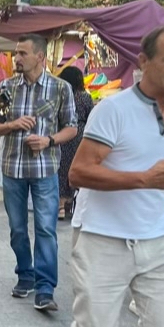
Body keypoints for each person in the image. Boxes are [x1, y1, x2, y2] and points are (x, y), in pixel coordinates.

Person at [60, 25, 164, 327]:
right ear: (143, 63)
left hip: (160, 239)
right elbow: (79, 172)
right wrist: (145, 179)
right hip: (102, 238)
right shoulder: (114, 110)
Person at [0, 34, 78, 311]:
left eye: (22, 53)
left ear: (40, 57)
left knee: (46, 229)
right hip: (13, 168)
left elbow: (71, 127)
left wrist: (48, 140)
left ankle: (45, 288)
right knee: (17, 229)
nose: (17, 58)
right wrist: (12, 125)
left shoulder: (60, 88)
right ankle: (25, 274)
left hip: (45, 169)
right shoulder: (7, 87)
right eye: (16, 53)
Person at [56, 66, 94, 220]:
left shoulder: (59, 95)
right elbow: (91, 115)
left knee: (62, 169)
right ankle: (74, 202)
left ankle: (60, 207)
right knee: (77, 168)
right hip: (80, 134)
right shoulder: (84, 97)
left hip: (62, 134)